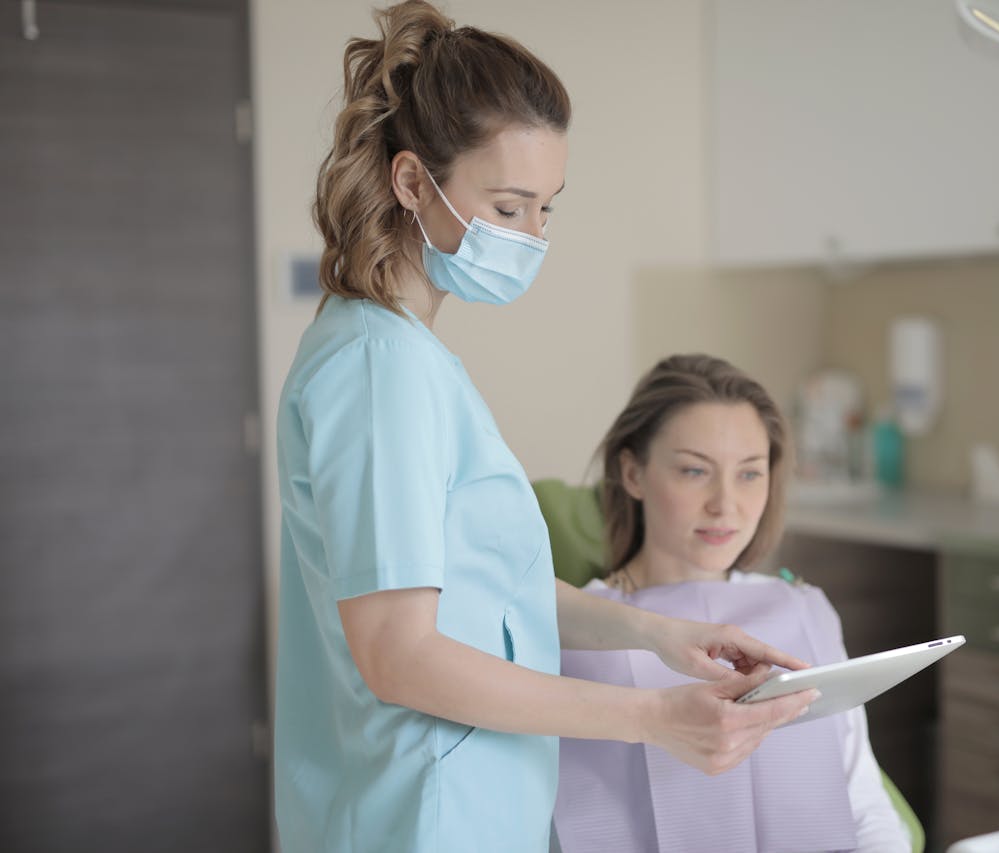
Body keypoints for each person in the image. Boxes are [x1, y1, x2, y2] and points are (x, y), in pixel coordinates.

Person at [272, 5, 816, 851]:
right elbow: (400, 655)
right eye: (509, 205)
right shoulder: (381, 369)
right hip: (426, 814)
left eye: (546, 209)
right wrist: (652, 717)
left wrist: (661, 635)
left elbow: (482, 597)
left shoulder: (404, 356)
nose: (533, 237)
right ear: (413, 182)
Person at [554, 354, 911, 852]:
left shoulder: (804, 610)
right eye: (695, 471)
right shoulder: (569, 633)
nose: (726, 504)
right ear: (633, 473)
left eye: (749, 474)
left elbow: (865, 806)